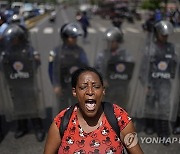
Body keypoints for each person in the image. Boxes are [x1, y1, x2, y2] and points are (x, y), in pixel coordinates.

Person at [44, 66, 144, 154]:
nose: (90, 92)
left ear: (103, 90)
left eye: (96, 87)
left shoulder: (119, 117)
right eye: (83, 87)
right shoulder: (61, 121)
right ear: (75, 92)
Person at [132, 20, 179, 146]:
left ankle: (164, 133)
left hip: (164, 82)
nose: (165, 37)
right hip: (152, 82)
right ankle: (150, 124)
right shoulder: (149, 48)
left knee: (164, 106)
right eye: (163, 34)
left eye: (166, 35)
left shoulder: (170, 47)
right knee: (150, 104)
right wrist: (146, 83)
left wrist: (173, 72)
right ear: (157, 33)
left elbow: (174, 63)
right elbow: (143, 68)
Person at [0, 24, 46, 142]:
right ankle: (22, 127)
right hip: (14, 83)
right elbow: (3, 66)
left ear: (21, 37)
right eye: (12, 38)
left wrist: (35, 59)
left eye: (16, 38)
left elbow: (36, 63)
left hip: (28, 82)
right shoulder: (7, 50)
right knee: (18, 106)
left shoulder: (29, 49)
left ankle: (38, 128)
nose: (13, 40)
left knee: (33, 106)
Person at [48, 22, 89, 114]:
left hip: (76, 86)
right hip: (62, 85)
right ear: (65, 37)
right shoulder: (56, 52)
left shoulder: (79, 51)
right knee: (63, 109)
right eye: (72, 37)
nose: (75, 40)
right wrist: (56, 85)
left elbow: (86, 68)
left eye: (76, 37)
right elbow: (52, 70)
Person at [94, 27, 134, 110]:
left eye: (112, 41)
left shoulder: (125, 55)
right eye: (108, 42)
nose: (109, 44)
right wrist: (102, 80)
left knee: (121, 109)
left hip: (121, 87)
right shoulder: (102, 55)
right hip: (107, 88)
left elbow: (129, 68)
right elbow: (97, 70)